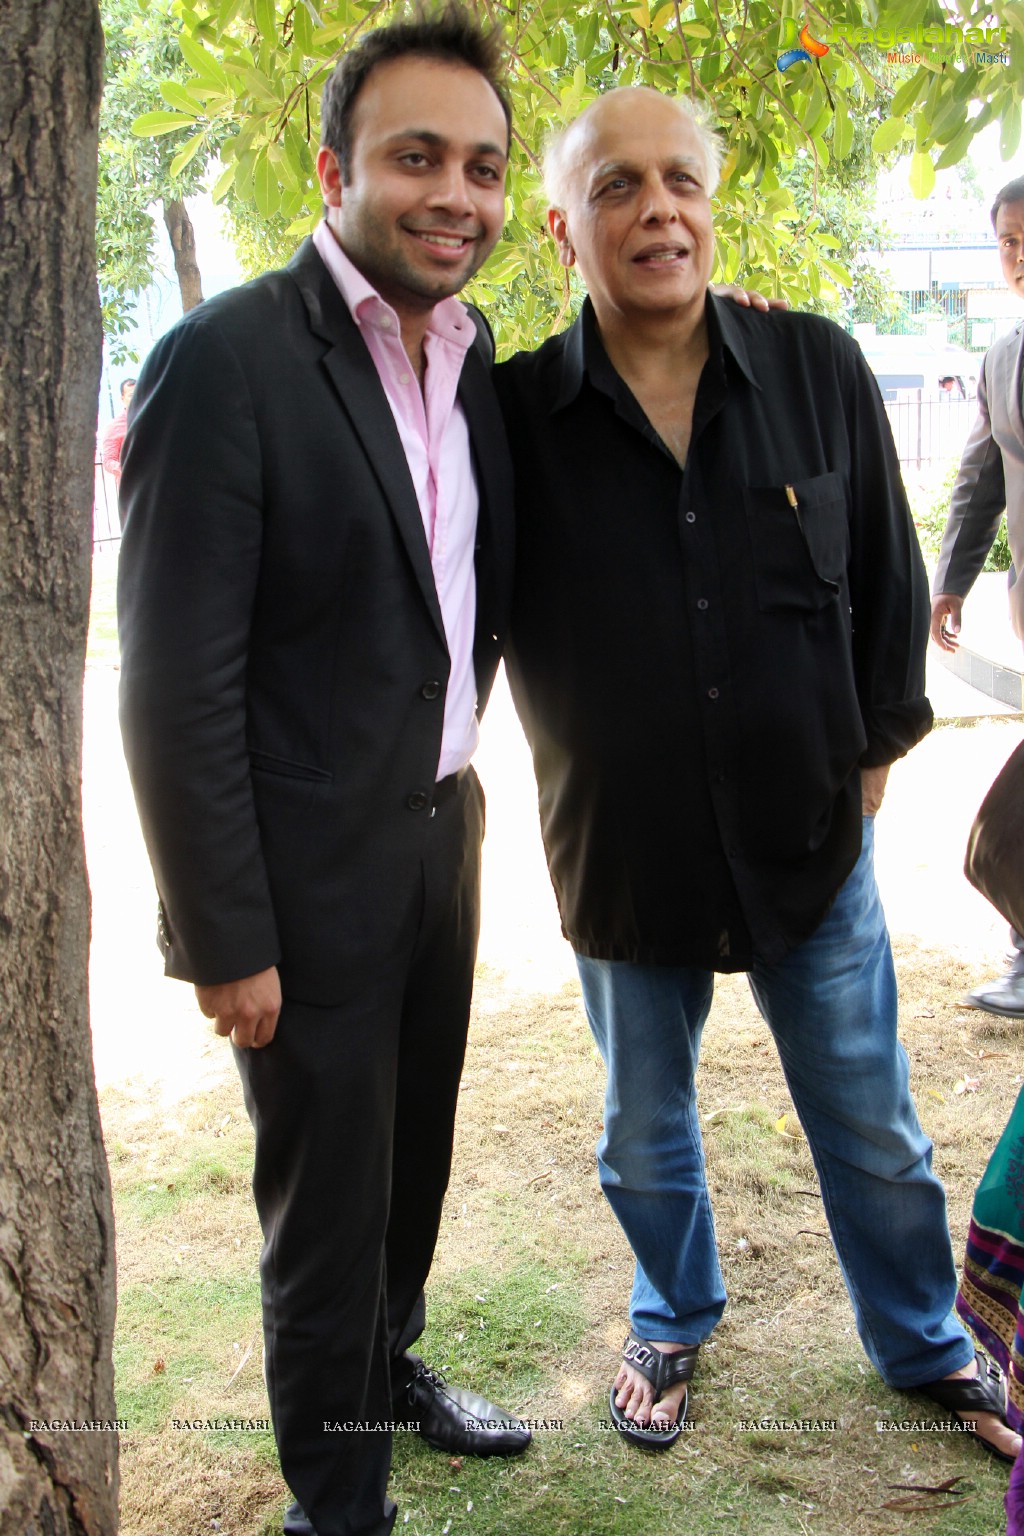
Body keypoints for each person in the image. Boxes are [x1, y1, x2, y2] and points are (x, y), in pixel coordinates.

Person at [494, 87, 1019, 1459]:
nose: (658, 207)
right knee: (640, 1129)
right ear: (562, 226)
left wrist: (873, 761)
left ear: (710, 206)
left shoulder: (819, 368)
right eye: (617, 186)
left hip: (808, 839)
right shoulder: (512, 418)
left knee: (874, 1121)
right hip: (623, 854)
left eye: (682, 180)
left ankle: (922, 1341)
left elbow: (888, 586)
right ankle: (670, 1317)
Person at [117, 11, 526, 1535]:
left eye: (481, 167)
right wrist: (227, 938)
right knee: (324, 1220)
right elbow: (172, 682)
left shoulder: (471, 357)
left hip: (441, 845)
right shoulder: (224, 361)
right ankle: (338, 1509)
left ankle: (390, 1367)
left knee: (408, 1174)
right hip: (298, 891)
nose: (454, 194)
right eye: (417, 155)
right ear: (335, 166)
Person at [931, 175, 1024, 1020]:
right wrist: (950, 584)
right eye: (1007, 242)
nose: (1020, 256)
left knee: (1004, 831)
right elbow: (978, 483)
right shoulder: (1001, 358)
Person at [100, 375, 135, 489]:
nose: (135, 398)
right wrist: (128, 470)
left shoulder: (152, 420)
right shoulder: (114, 427)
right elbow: (108, 461)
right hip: (130, 490)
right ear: (122, 398)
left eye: (138, 393)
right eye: (131, 395)